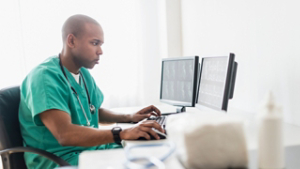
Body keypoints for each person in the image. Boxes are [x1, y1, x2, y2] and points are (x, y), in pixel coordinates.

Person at [18, 14, 164, 169]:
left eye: (101, 44)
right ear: (71, 41)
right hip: (59, 160)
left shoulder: (82, 73)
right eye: (95, 43)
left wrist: (130, 117)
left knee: (150, 154)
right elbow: (64, 135)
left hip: (89, 149)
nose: (100, 51)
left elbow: (93, 110)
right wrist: (121, 133)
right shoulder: (44, 78)